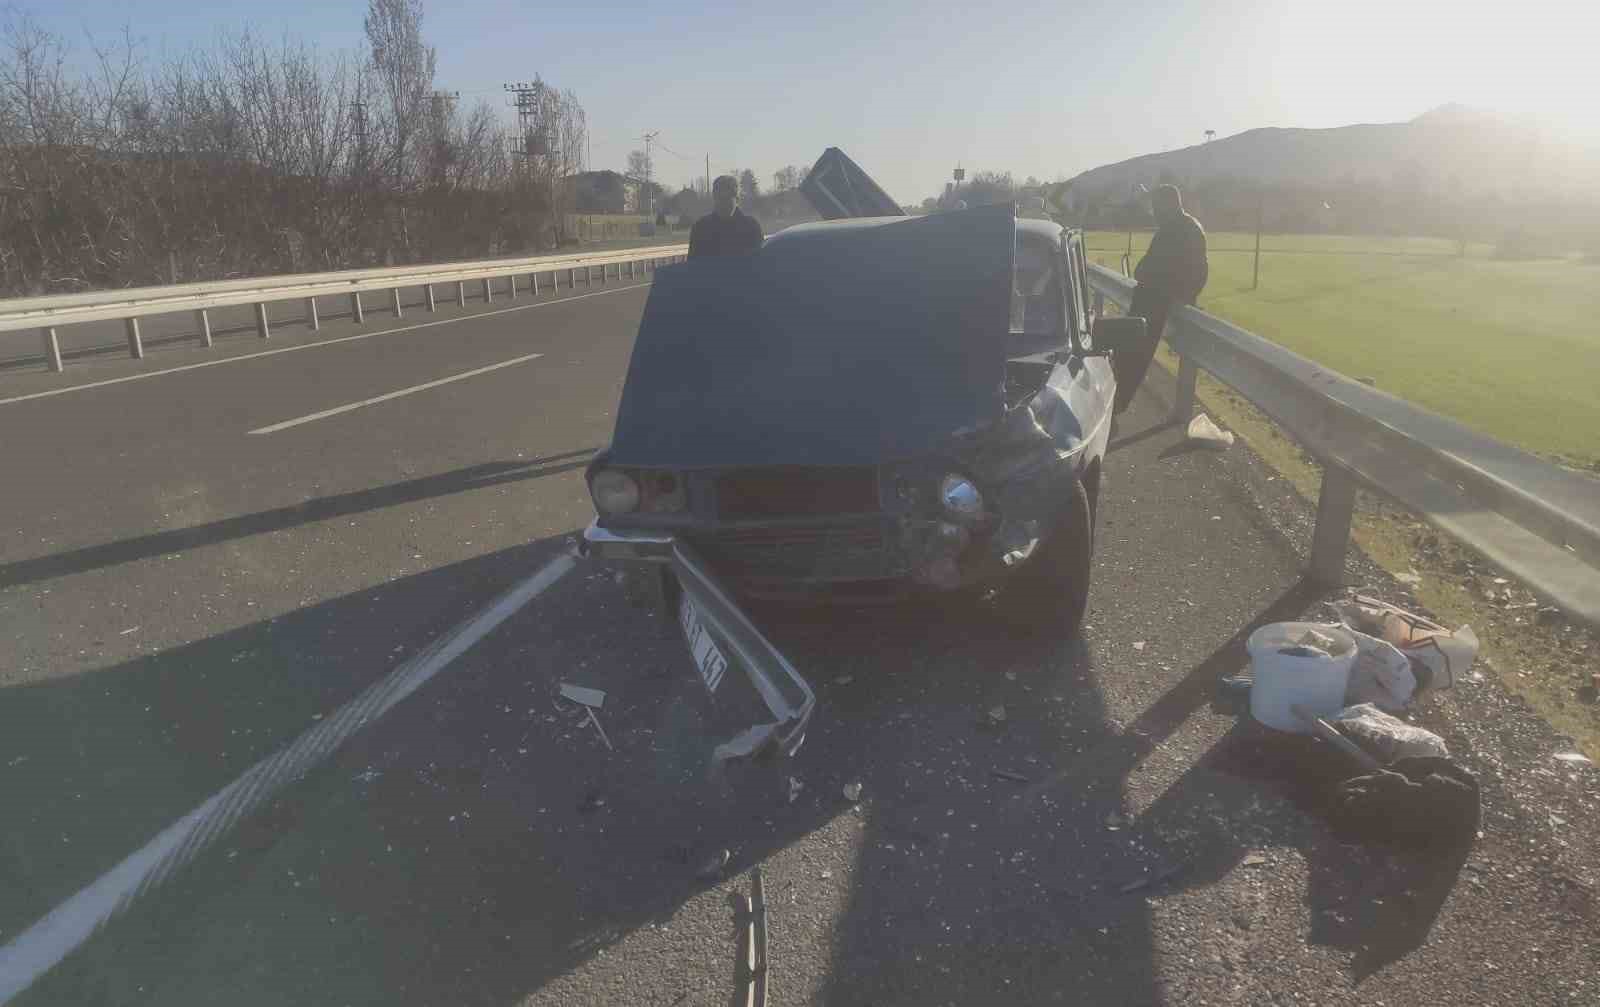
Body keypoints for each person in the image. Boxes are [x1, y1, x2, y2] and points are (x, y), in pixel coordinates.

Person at [1115, 184, 1208, 413]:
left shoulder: (1170, 231)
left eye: (1156, 207)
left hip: (1155, 302)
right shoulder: (1191, 227)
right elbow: (1201, 272)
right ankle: (1120, 399)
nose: (1154, 213)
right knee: (1132, 353)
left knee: (1132, 354)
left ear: (1167, 205)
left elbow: (1144, 270)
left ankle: (1119, 400)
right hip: (1170, 298)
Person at [688, 175, 763, 257]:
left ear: (737, 199)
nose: (723, 204)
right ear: (714, 198)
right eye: (719, 198)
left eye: (727, 199)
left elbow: (759, 262)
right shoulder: (701, 228)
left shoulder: (751, 227)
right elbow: (693, 264)